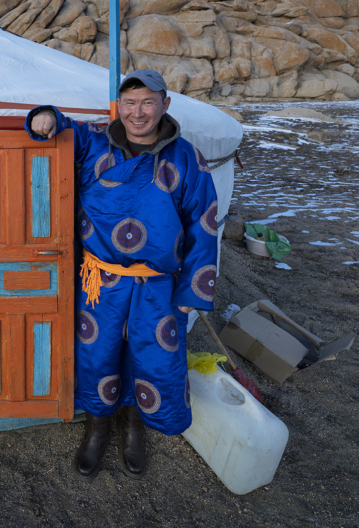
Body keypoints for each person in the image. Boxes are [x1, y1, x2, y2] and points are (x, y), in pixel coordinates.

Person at [25, 69, 218, 479]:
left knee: (151, 358)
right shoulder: (94, 143)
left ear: (165, 105)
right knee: (99, 354)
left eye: (148, 102)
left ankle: (134, 427)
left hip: (159, 284)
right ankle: (96, 430)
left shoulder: (187, 159)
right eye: (129, 103)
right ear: (118, 107)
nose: (138, 112)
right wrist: (44, 116)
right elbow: (61, 128)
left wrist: (194, 289)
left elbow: (204, 224)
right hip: (102, 280)